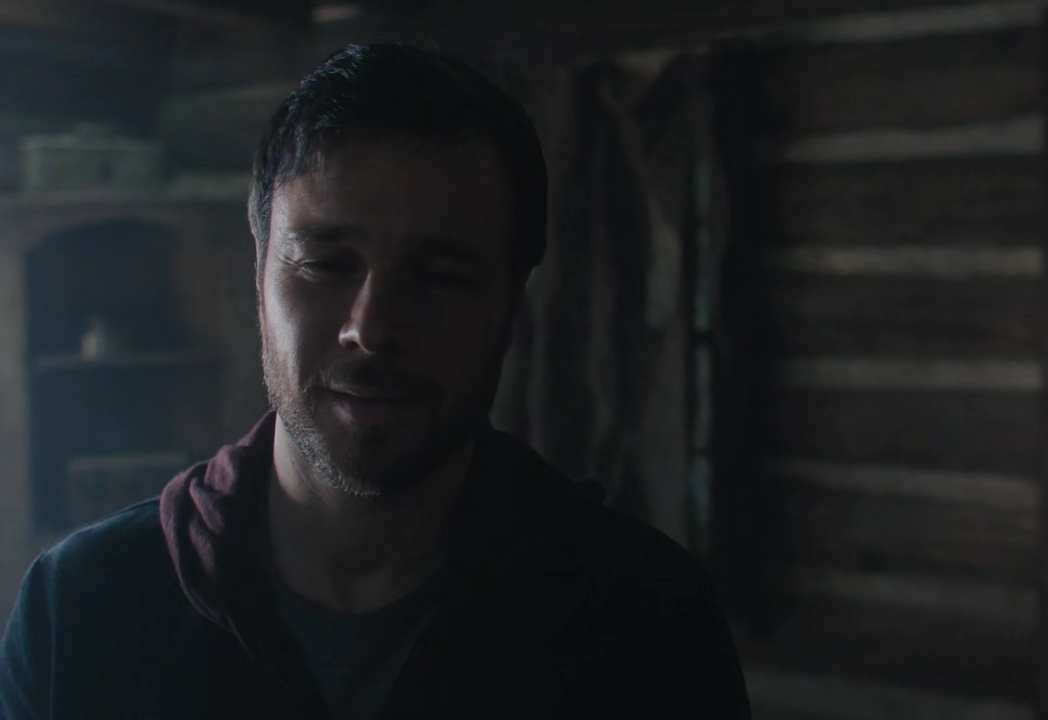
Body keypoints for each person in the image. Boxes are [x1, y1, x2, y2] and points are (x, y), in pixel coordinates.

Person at [0, 44, 752, 720]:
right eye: (327, 264)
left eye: (443, 275)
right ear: (258, 278)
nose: (374, 326)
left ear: (511, 308)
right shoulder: (82, 610)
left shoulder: (646, 619)